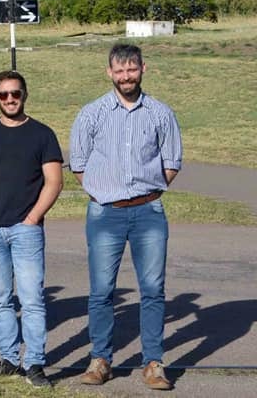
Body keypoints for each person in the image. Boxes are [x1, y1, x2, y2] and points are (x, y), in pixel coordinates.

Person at [70, 44, 182, 391]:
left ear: (143, 69)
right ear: (109, 73)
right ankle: (101, 359)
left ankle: (153, 362)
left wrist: (147, 191)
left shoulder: (161, 113)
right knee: (102, 291)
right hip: (105, 213)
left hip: (149, 212)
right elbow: (78, 163)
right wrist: (103, 192)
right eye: (119, 71)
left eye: (131, 69)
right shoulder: (92, 113)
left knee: (152, 290)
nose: (126, 76)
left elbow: (171, 162)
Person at [0, 70, 63, 388]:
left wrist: (32, 218)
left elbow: (54, 181)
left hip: (25, 230)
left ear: (25, 95)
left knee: (32, 299)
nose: (10, 99)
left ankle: (34, 363)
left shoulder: (42, 134)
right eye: (4, 94)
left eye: (15, 94)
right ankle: (9, 358)